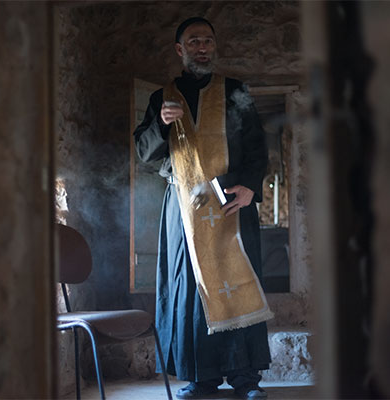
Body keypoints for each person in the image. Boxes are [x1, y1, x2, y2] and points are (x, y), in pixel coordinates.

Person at [133, 17, 272, 399]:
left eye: (208, 41)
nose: (202, 47)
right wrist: (160, 124)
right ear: (180, 49)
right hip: (185, 210)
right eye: (193, 41)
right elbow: (144, 152)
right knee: (191, 291)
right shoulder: (163, 98)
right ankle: (201, 378)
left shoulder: (235, 91)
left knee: (238, 283)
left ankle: (246, 381)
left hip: (233, 204)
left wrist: (250, 189)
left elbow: (259, 148)